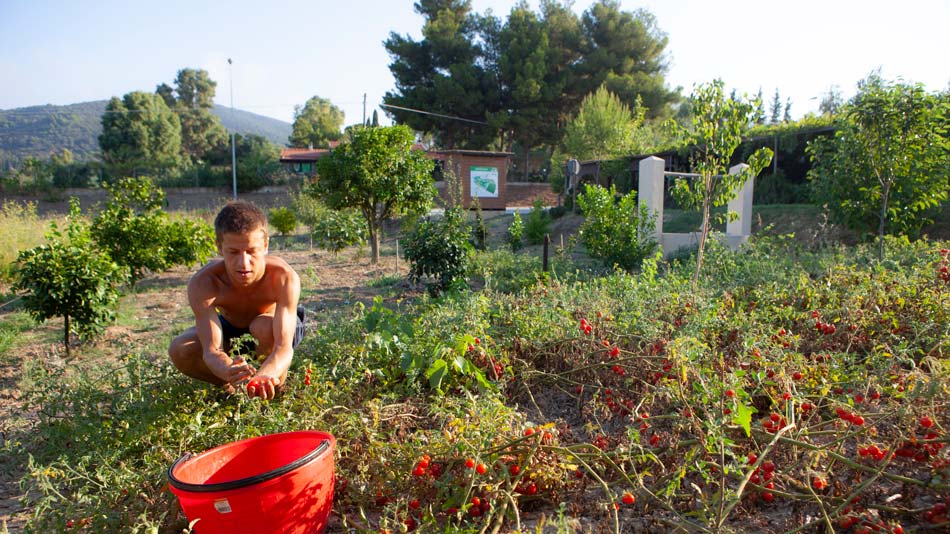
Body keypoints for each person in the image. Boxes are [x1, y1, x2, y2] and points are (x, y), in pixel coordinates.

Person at [169, 200, 304, 399]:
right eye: (233, 252)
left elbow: (283, 347)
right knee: (180, 348)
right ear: (219, 247)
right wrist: (228, 370)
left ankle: (275, 391)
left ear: (265, 245)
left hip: (270, 328)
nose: (243, 263)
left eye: (251, 251)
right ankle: (233, 389)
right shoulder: (204, 283)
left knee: (262, 326)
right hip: (230, 327)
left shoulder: (283, 277)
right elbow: (212, 350)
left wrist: (265, 375)